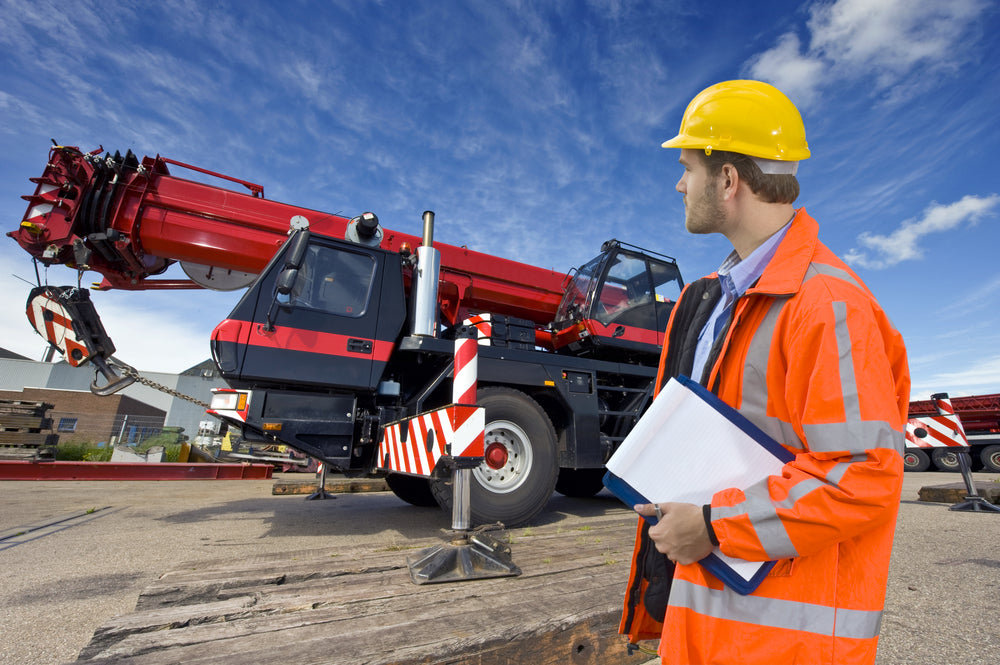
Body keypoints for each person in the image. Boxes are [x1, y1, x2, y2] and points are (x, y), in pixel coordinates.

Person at [619, 80, 910, 665]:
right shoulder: (711, 300)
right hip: (709, 626)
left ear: (728, 180)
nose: (680, 184)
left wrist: (715, 526)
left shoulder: (827, 304)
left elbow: (862, 478)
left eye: (687, 167)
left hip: (783, 644)